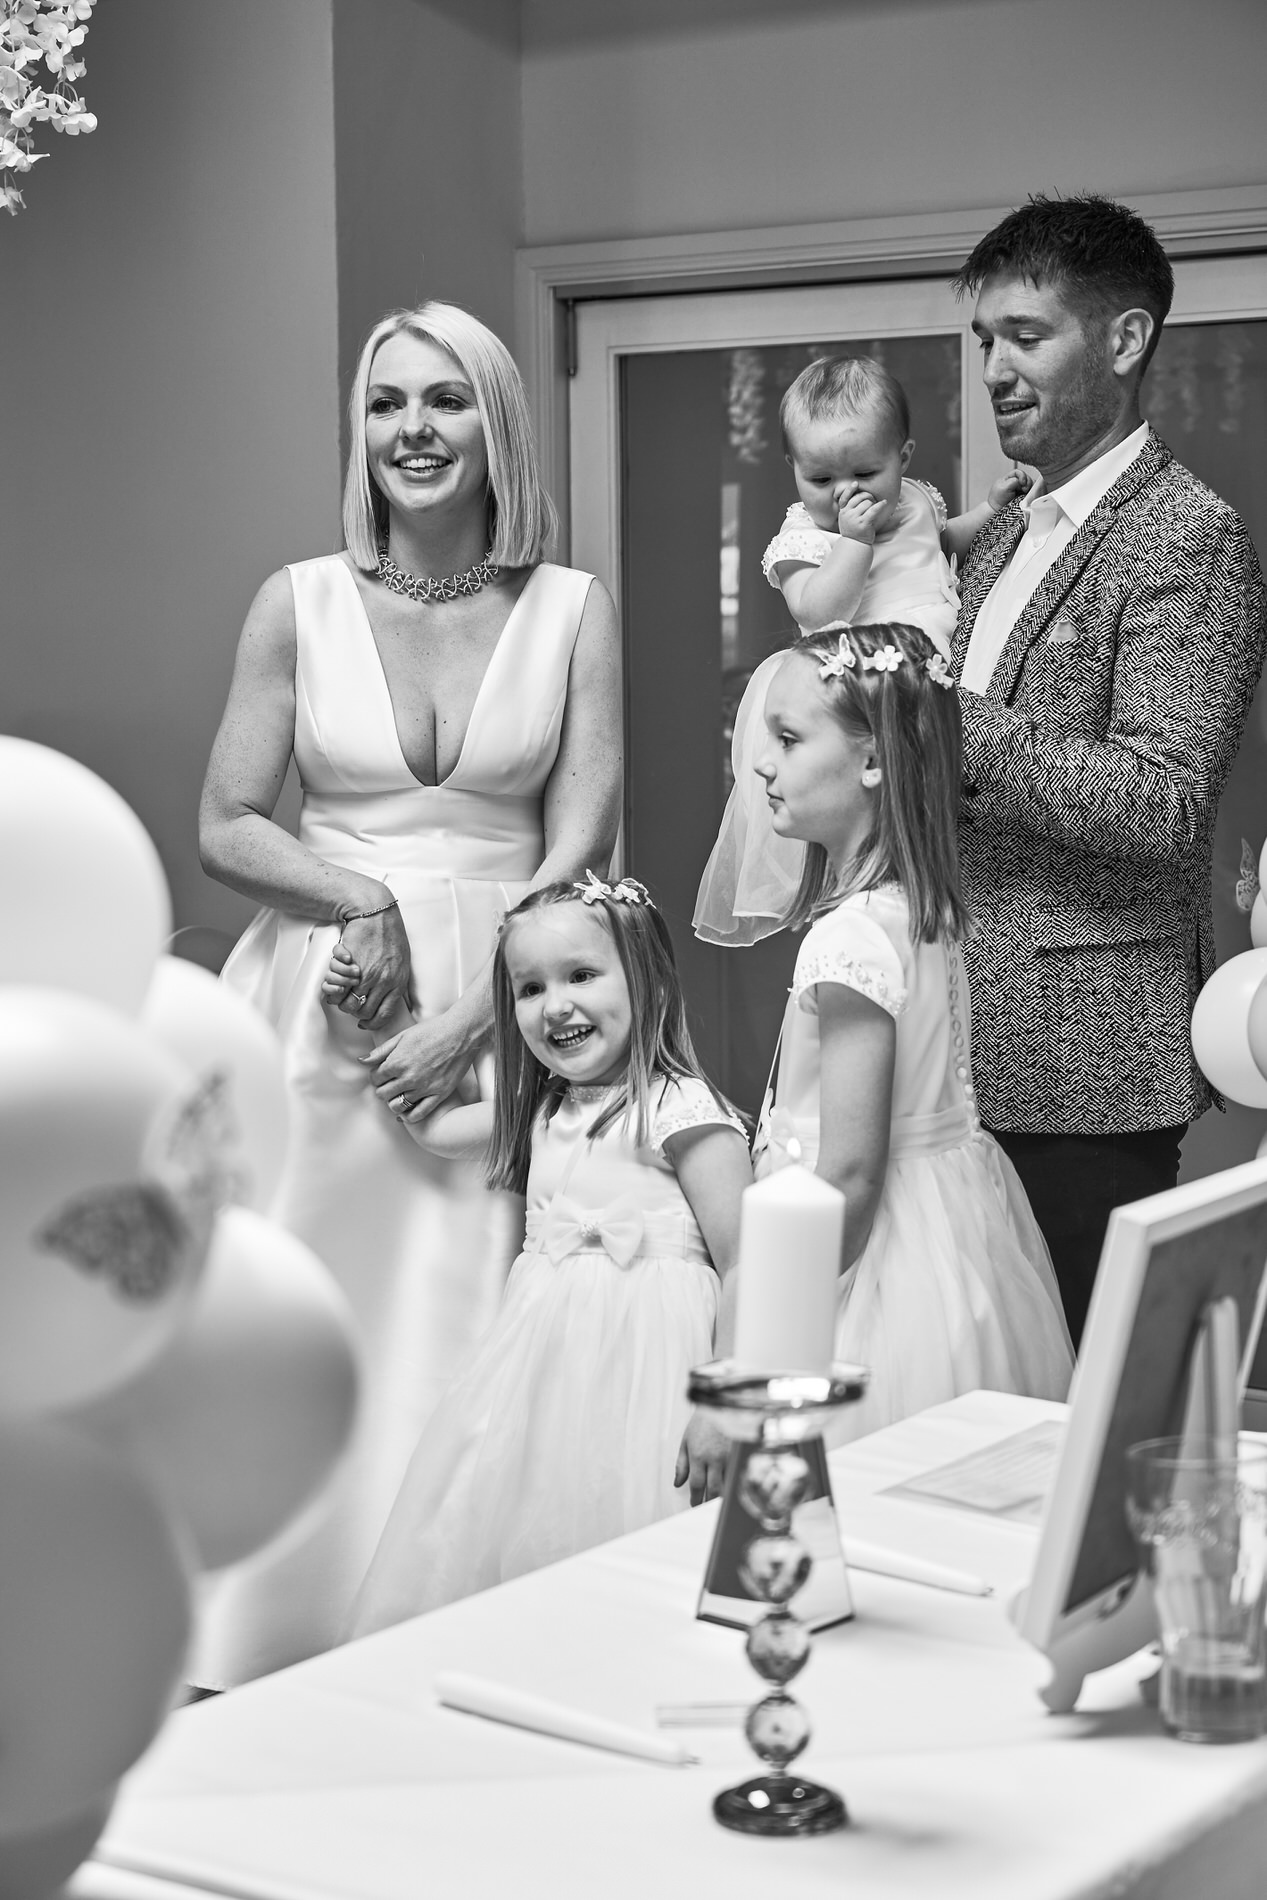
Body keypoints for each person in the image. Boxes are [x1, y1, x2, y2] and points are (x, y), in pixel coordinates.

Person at [194, 303, 622, 1682]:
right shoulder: (297, 600)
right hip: (325, 1007)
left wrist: (485, 1008)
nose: (412, 432)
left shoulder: (568, 608)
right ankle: (258, 1631)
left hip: (506, 999)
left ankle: (435, 1629)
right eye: (386, 406)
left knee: (463, 1312)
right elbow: (228, 821)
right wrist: (359, 900)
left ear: (495, 425)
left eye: (443, 402)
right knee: (309, 1307)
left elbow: (581, 847)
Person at [950, 195, 1267, 1347]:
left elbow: (1163, 803)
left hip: (1086, 1062)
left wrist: (948, 724)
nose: (993, 367)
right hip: (952, 1040)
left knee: (1077, 1402)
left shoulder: (1187, 535)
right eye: (985, 340)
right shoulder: (1003, 533)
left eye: (1025, 335)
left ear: (1124, 340)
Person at [345, 874, 752, 1635]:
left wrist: (722, 1406)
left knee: (633, 1558)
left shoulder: (683, 1112)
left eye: (581, 976)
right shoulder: (541, 1110)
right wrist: (385, 1012)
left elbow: (747, 1264)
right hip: (539, 1381)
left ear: (649, 982)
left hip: (652, 1383)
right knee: (523, 1536)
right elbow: (432, 1129)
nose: (554, 1004)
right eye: (529, 988)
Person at [713, 623, 1072, 1449]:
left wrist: (758, 1360)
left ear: (872, 760)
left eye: (788, 738)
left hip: (868, 1273)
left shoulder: (845, 940)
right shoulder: (920, 910)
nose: (761, 761)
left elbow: (846, 1173)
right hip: (953, 1241)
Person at [694, 354, 1027, 946]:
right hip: (863, 696)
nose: (845, 493)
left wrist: (990, 510)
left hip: (941, 675)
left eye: (865, 474)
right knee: (878, 831)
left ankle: (932, 921)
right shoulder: (805, 536)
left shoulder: (918, 499)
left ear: (903, 458)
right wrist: (853, 544)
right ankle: (866, 923)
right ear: (793, 469)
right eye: (821, 480)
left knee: (940, 825)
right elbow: (819, 611)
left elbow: (943, 542)